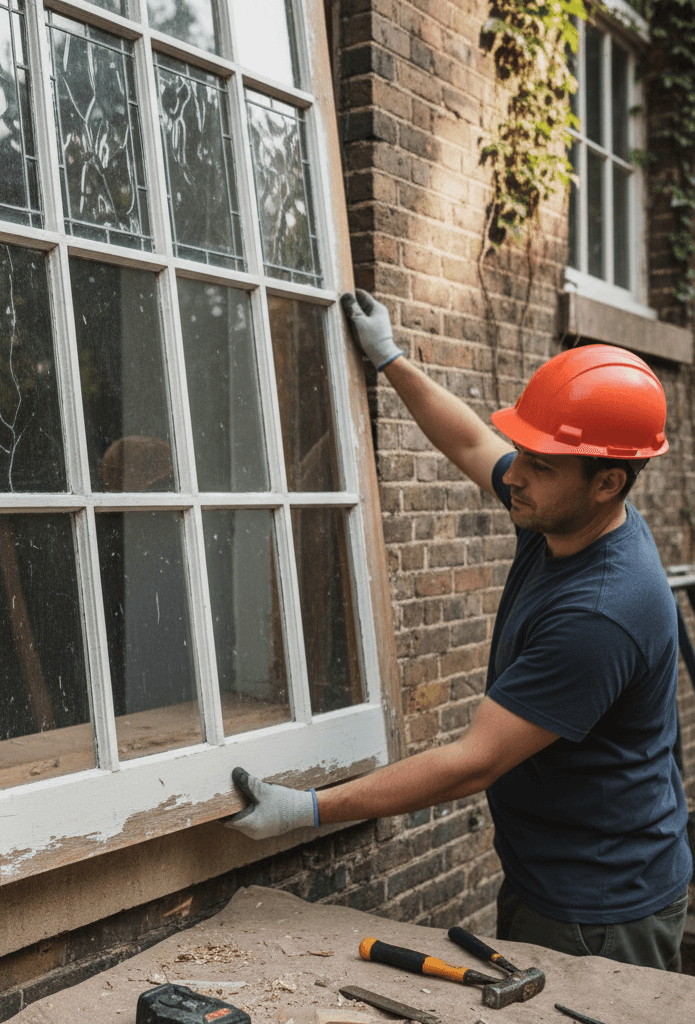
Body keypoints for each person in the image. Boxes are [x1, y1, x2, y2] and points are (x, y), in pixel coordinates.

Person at [226, 290, 692, 971]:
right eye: (525, 453)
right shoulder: (565, 513)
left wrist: (310, 809)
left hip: (603, 909)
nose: (517, 475)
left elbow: (473, 761)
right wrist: (390, 359)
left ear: (607, 483)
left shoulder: (602, 612)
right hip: (559, 875)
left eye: (540, 465)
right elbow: (474, 441)